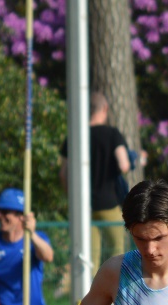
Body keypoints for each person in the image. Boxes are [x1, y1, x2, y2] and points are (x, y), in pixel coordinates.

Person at [60, 92, 132, 269]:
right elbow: (124, 165)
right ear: (105, 109)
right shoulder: (113, 135)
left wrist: (72, 198)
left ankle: (89, 294)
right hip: (110, 205)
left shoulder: (74, 136)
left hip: (84, 207)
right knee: (118, 253)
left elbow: (63, 173)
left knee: (88, 258)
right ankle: (117, 293)